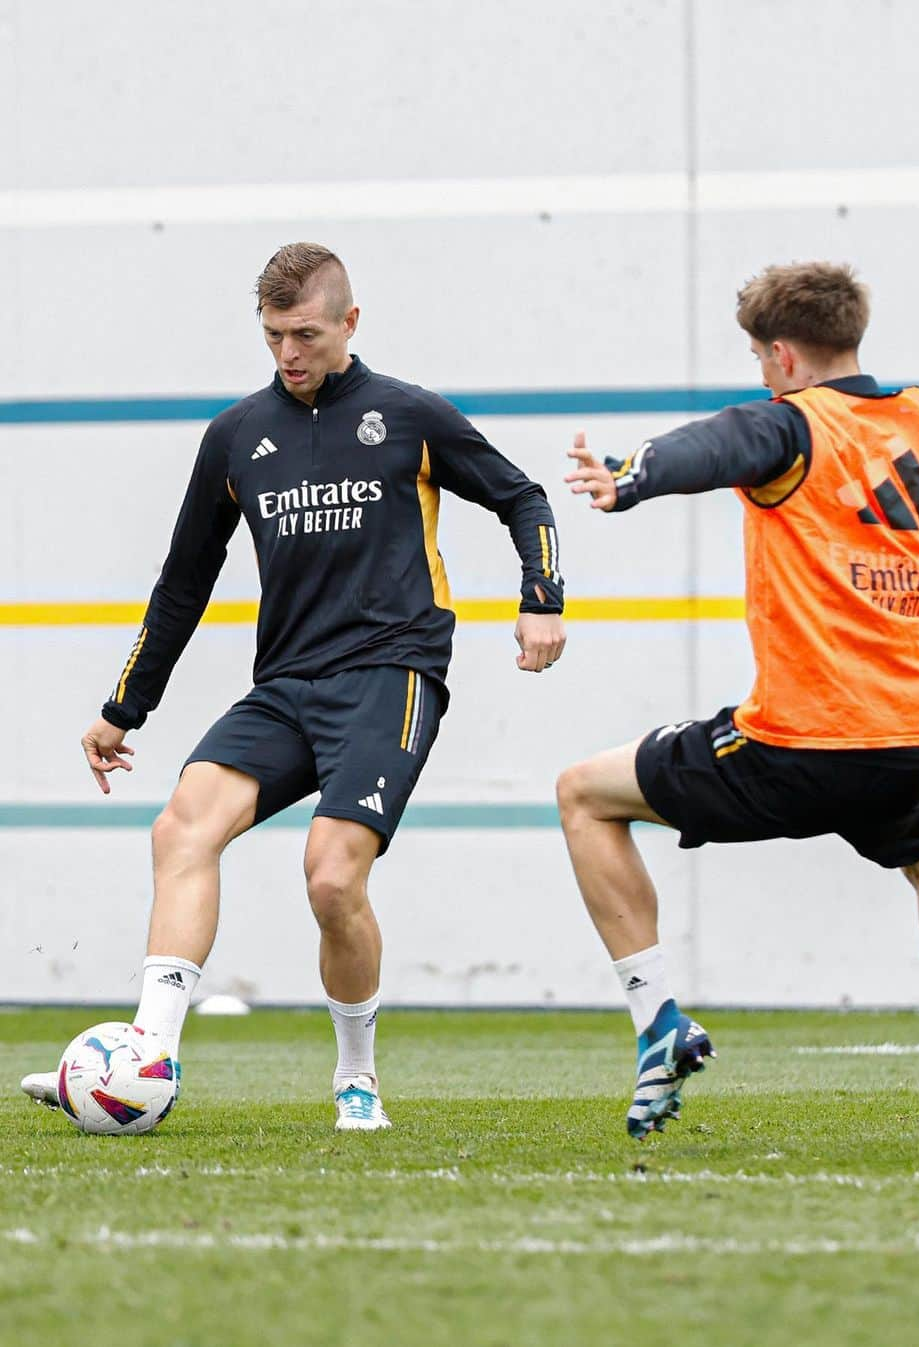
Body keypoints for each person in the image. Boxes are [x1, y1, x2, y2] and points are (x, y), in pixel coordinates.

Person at [22, 242, 566, 1131]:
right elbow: (182, 582)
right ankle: (146, 1058)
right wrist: (125, 708)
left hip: (391, 675)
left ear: (350, 323)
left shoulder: (409, 415)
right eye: (274, 335)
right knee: (181, 827)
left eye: (305, 333)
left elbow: (525, 496)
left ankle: (357, 1076)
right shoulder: (237, 435)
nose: (288, 353)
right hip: (285, 685)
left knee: (329, 878)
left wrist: (540, 599)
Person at [558, 260, 919, 1148]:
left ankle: (659, 1021)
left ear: (782, 355)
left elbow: (715, 447)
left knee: (583, 793)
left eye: (757, 356)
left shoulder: (791, 425)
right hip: (906, 742)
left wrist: (628, 477)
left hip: (798, 745)